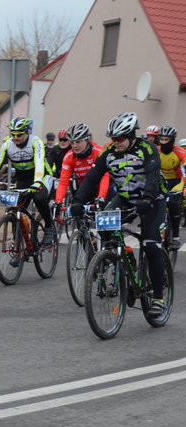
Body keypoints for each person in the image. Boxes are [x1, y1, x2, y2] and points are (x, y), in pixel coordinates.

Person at [70, 112, 168, 317]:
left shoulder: (147, 148)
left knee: (151, 244)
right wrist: (78, 201)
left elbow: (152, 174)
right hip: (125, 198)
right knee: (104, 225)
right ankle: (120, 258)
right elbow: (92, 178)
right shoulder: (109, 153)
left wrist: (148, 198)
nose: (117, 142)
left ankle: (158, 297)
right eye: (113, 139)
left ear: (132, 135)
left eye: (121, 138)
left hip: (153, 200)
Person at [0, 117, 57, 248]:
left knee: (39, 198)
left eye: (19, 134)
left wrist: (37, 182)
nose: (16, 137)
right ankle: (18, 246)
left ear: (27, 132)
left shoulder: (36, 142)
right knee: (15, 208)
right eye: (13, 134)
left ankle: (49, 227)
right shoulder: (7, 145)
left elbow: (39, 163)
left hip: (42, 176)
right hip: (22, 179)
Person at [52, 123, 110, 210]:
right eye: (72, 142)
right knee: (76, 209)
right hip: (84, 187)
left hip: (102, 186)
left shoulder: (98, 152)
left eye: (78, 141)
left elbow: (105, 176)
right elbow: (64, 181)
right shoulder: (69, 157)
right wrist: (58, 201)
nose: (74, 146)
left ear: (87, 140)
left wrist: (101, 196)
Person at [156, 125, 186, 248]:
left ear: (172, 140)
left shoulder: (180, 152)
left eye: (166, 140)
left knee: (173, 204)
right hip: (161, 181)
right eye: (161, 139)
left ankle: (176, 237)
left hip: (177, 181)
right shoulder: (156, 150)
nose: (163, 142)